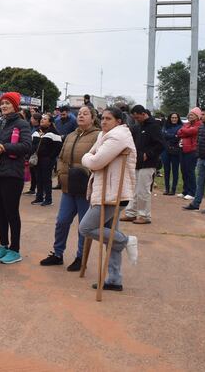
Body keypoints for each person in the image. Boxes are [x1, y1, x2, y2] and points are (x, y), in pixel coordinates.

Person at [78, 107, 139, 291]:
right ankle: (114, 279)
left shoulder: (117, 136)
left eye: (109, 118)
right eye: (102, 118)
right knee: (107, 234)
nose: (104, 122)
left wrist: (87, 158)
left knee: (86, 227)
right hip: (108, 191)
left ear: (118, 121)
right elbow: (93, 156)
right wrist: (90, 157)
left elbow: (95, 161)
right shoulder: (104, 135)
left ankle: (125, 240)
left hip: (114, 194)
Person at [40, 105, 100, 271]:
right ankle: (58, 254)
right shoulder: (71, 135)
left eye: (85, 114)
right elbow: (61, 156)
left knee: (83, 225)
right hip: (68, 186)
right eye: (79, 113)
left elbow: (99, 159)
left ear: (93, 118)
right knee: (62, 221)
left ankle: (81, 257)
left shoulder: (98, 136)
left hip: (85, 187)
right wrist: (60, 171)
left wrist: (86, 174)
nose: (81, 116)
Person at [0, 92, 32, 265]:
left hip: (12, 175)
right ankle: (3, 246)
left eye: (8, 103)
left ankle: (15, 249)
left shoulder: (22, 124)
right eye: (2, 103)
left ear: (15, 105)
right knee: (0, 212)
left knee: (11, 212)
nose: (4, 106)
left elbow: (26, 146)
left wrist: (4, 147)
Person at [121, 105, 164, 224]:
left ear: (144, 114)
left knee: (143, 191)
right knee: (133, 190)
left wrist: (149, 154)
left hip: (149, 163)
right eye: (134, 117)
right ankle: (131, 213)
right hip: (136, 162)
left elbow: (161, 145)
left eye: (138, 117)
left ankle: (144, 216)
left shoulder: (154, 126)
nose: (136, 119)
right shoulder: (137, 127)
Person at [30, 114, 62, 207]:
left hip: (47, 160)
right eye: (42, 119)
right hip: (37, 159)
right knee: (38, 178)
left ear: (50, 122)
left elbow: (58, 147)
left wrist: (50, 157)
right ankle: (39, 197)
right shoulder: (36, 131)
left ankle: (48, 199)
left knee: (46, 179)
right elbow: (32, 144)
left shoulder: (54, 133)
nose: (42, 120)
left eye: (45, 119)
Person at [177, 107, 202, 201]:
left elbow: (191, 131)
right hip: (183, 149)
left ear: (197, 116)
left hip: (192, 150)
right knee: (183, 170)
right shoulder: (187, 124)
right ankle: (185, 190)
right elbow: (179, 132)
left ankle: (192, 192)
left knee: (190, 171)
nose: (190, 116)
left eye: (192, 114)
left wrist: (185, 131)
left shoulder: (199, 124)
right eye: (190, 114)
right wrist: (185, 131)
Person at [160, 112, 182, 196]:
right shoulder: (165, 126)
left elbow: (178, 137)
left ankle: (173, 189)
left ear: (178, 118)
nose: (174, 119)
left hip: (175, 150)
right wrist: (173, 136)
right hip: (165, 150)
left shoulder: (180, 126)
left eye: (176, 118)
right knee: (166, 170)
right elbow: (163, 135)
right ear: (170, 118)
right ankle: (167, 188)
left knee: (175, 170)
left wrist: (169, 136)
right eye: (172, 117)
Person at [24, 112, 42, 195]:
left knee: (36, 173)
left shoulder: (38, 130)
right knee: (32, 172)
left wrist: (30, 153)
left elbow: (35, 144)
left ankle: (39, 190)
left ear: (36, 120)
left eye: (32, 118)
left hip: (35, 154)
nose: (30, 119)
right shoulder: (32, 128)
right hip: (31, 153)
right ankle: (32, 188)